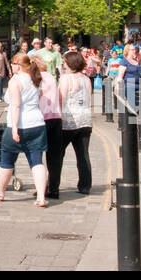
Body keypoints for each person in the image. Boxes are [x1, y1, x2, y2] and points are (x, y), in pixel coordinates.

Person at [0, 53, 48, 206]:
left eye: (13, 64)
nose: (11, 67)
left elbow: (16, 106)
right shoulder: (35, 79)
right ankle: (41, 197)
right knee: (36, 161)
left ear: (18, 66)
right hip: (37, 124)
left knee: (7, 159)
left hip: (20, 125)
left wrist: (14, 129)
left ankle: (0, 191)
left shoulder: (16, 81)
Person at [58, 51, 93, 194]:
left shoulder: (66, 79)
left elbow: (61, 99)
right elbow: (88, 96)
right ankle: (85, 185)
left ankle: (52, 184)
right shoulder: (86, 79)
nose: (63, 64)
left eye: (64, 62)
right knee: (83, 154)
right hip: (85, 119)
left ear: (69, 63)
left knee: (57, 153)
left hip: (68, 120)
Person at [35, 56, 65, 199]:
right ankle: (54, 188)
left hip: (41, 119)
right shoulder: (51, 77)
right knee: (54, 157)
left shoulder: (36, 79)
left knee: (37, 155)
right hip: (56, 117)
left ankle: (42, 187)